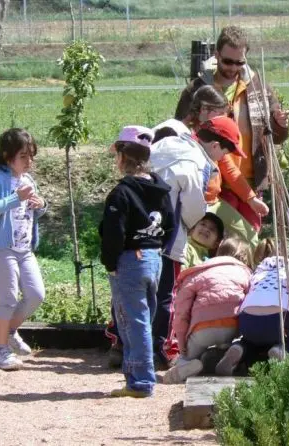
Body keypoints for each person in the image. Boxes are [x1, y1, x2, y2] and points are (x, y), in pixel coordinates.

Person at [105, 118, 216, 370]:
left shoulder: (144, 162)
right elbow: (193, 208)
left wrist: (110, 258)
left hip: (130, 247)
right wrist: (177, 233)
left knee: (125, 296)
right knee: (164, 296)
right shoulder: (189, 161)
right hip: (166, 243)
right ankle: (160, 349)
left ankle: (120, 345)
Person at [175, 25, 289, 231]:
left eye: (240, 62)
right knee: (216, 243)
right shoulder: (196, 89)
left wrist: (280, 125)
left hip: (251, 180)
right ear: (216, 54)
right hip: (211, 181)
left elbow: (276, 137)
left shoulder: (258, 87)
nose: (233, 67)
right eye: (228, 61)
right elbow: (180, 131)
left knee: (248, 241)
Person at [99, 125, 175, 397]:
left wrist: (110, 261)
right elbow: (170, 224)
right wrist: (157, 246)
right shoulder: (160, 189)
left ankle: (141, 381)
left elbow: (113, 232)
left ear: (122, 156)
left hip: (129, 260)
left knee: (133, 321)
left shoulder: (121, 193)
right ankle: (136, 376)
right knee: (146, 318)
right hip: (154, 258)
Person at [0, 128, 46, 370]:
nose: (29, 161)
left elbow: (32, 210)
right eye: (23, 156)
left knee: (36, 294)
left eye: (31, 156)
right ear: (8, 157)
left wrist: (40, 205)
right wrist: (14, 198)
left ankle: (8, 331)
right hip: (0, 248)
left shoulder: (27, 180)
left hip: (24, 249)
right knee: (7, 298)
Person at [215, 238, 289, 375]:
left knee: (251, 340)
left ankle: (240, 348)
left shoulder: (258, 272)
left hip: (248, 320)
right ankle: (283, 350)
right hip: (279, 319)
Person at [164, 237, 252, 384]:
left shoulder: (199, 272)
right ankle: (227, 353)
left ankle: (186, 365)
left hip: (203, 329)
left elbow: (181, 310)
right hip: (233, 327)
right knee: (232, 344)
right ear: (244, 257)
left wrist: (181, 342)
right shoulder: (246, 273)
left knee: (187, 356)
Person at [188, 85, 267, 247]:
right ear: (204, 109)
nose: (225, 117)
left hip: (214, 201)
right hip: (193, 204)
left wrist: (252, 200)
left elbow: (231, 170)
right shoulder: (187, 139)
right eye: (221, 114)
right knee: (198, 244)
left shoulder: (215, 135)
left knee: (249, 239)